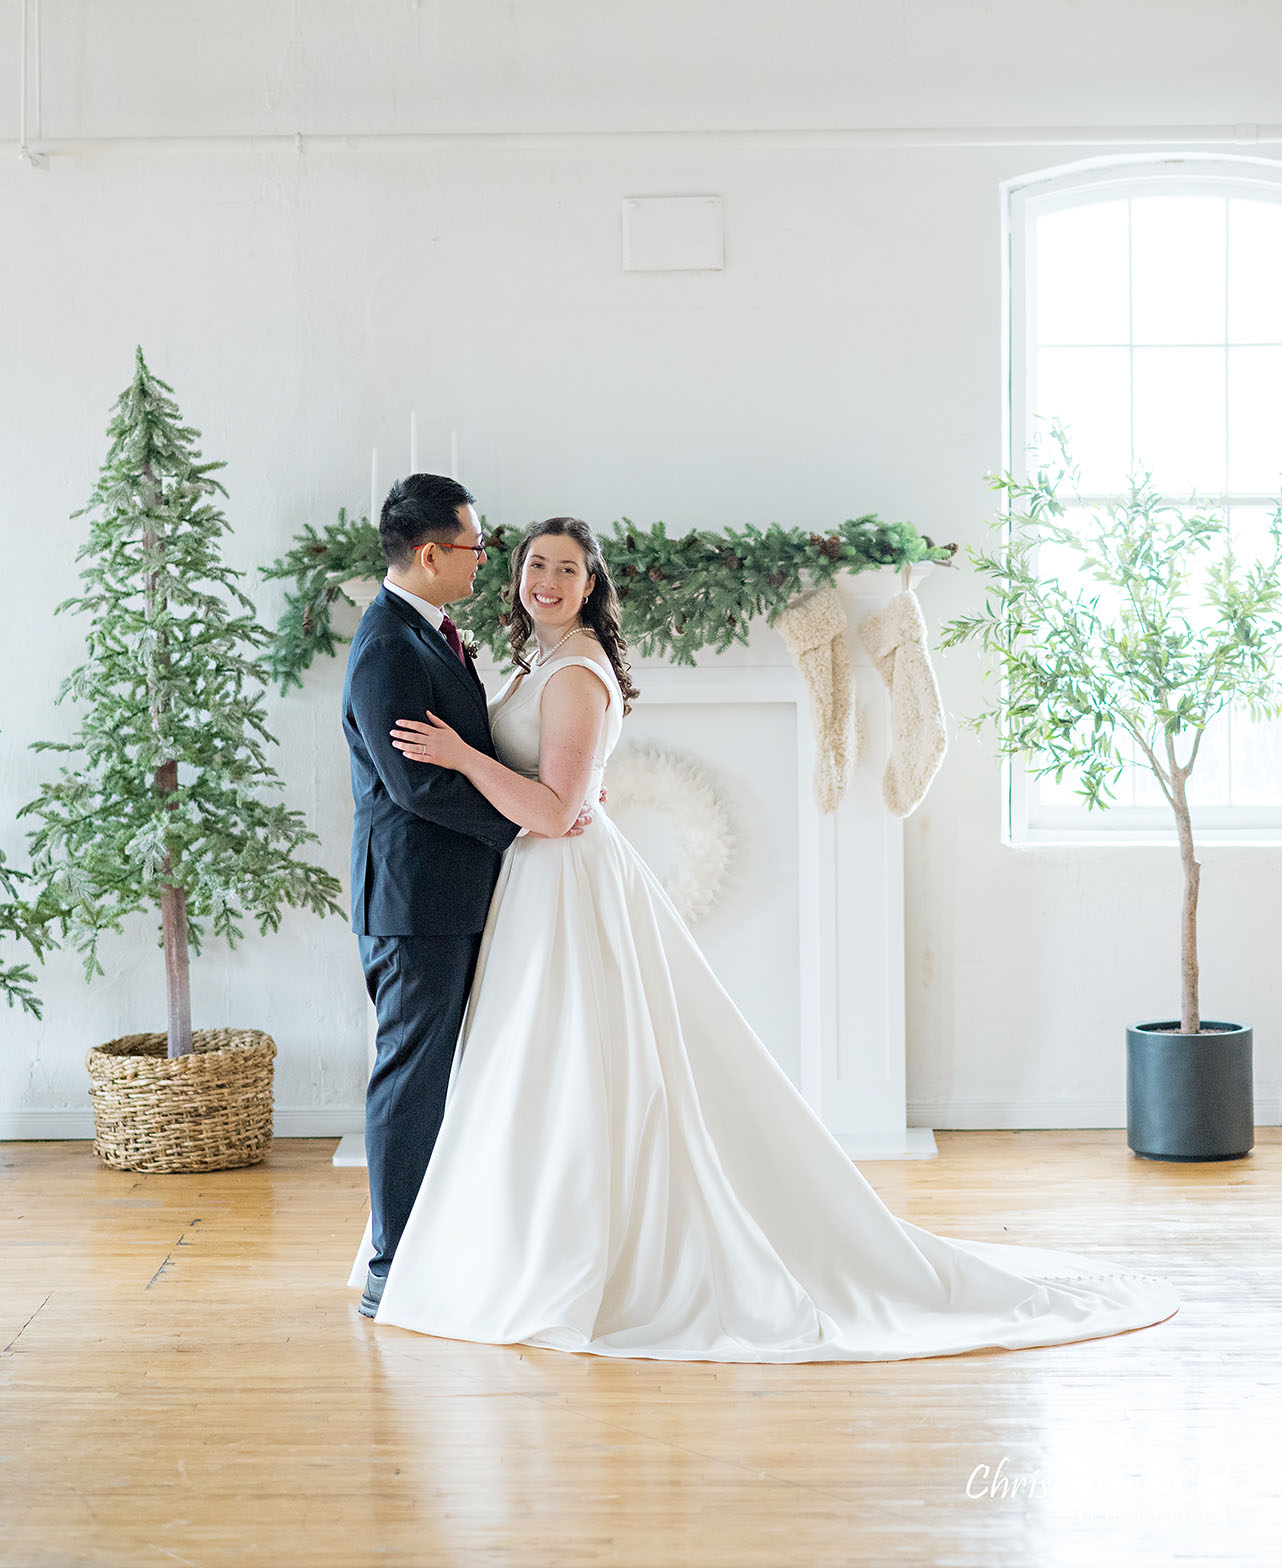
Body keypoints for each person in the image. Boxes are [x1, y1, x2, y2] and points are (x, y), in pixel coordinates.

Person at [352, 516, 1178, 1361]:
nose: (546, 581)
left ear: (592, 586)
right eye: (534, 565)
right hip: (538, 886)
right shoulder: (536, 660)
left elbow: (559, 812)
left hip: (565, 876)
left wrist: (460, 755)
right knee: (536, 1070)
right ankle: (504, 1243)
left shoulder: (575, 672)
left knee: (577, 1068)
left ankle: (575, 1256)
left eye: (567, 569)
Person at [340, 475, 593, 1320]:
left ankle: (438, 1240)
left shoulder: (437, 634)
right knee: (411, 1077)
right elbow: (415, 786)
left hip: (457, 893)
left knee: (450, 1073)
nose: (487, 563)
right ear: (430, 553)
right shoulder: (386, 646)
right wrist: (524, 830)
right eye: (477, 548)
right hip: (416, 901)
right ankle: (393, 1261)